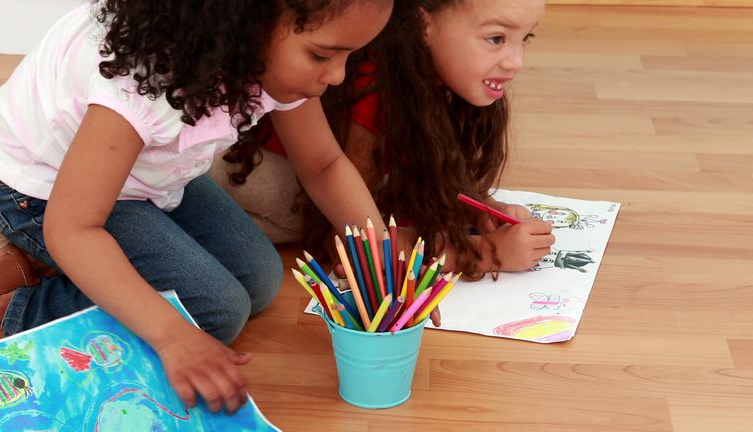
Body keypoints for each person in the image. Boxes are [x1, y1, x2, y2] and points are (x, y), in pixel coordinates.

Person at [0, 0, 394, 414]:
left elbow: (324, 164)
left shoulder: (268, 55)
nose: (337, 75)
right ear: (249, 22)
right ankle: (14, 297)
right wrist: (173, 337)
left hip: (145, 177)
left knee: (261, 279)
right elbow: (75, 229)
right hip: (39, 191)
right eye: (325, 55)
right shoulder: (140, 85)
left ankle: (49, 261)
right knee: (213, 310)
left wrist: (380, 258)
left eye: (349, 56)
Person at [210, 0, 554, 280]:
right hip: (248, 167)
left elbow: (410, 177)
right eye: (496, 39)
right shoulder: (374, 86)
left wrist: (470, 208)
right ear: (424, 22)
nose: (516, 62)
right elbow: (347, 242)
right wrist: (486, 253)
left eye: (526, 39)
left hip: (306, 170)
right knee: (345, 217)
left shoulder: (424, 76)